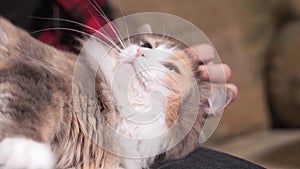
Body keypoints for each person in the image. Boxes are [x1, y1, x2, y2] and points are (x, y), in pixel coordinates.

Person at [0, 0, 262, 168]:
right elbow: (30, 78)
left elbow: (98, 24)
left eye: (169, 65)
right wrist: (25, 137)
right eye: (146, 45)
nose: (143, 53)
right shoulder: (76, 77)